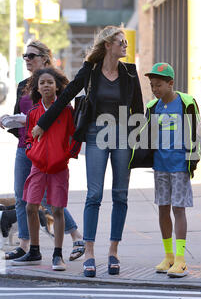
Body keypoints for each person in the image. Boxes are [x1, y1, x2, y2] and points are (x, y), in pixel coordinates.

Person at [31, 26, 144, 277]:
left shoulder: (130, 72)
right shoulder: (90, 71)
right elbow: (65, 97)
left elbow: (138, 109)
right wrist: (43, 123)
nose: (125, 45)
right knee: (94, 194)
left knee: (120, 195)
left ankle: (113, 251)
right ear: (107, 45)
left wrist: (139, 143)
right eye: (120, 42)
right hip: (96, 135)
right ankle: (90, 252)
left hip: (123, 136)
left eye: (125, 42)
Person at [0, 41, 85, 262]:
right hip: (27, 149)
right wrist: (11, 123)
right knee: (23, 198)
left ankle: (75, 235)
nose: (27, 59)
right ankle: (26, 246)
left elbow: (69, 124)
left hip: (52, 154)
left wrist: (66, 153)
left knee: (49, 200)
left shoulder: (56, 86)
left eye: (32, 55)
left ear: (45, 58)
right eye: (25, 56)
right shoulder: (22, 86)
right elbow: (23, 118)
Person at [11, 67, 81, 270]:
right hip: (38, 167)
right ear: (38, 88)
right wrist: (33, 152)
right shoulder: (33, 112)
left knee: (57, 209)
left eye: (50, 82)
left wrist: (66, 155)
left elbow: (74, 135)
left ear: (57, 86)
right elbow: (29, 138)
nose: (46, 85)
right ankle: (34, 250)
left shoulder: (67, 110)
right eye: (42, 83)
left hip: (59, 168)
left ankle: (58, 255)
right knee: (30, 206)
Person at [140, 62, 201, 278]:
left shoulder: (186, 102)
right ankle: (169, 256)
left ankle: (181, 259)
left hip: (179, 165)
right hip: (160, 165)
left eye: (158, 85)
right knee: (163, 208)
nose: (155, 89)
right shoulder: (152, 106)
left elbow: (197, 132)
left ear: (170, 83)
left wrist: (192, 161)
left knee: (179, 209)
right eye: (152, 86)